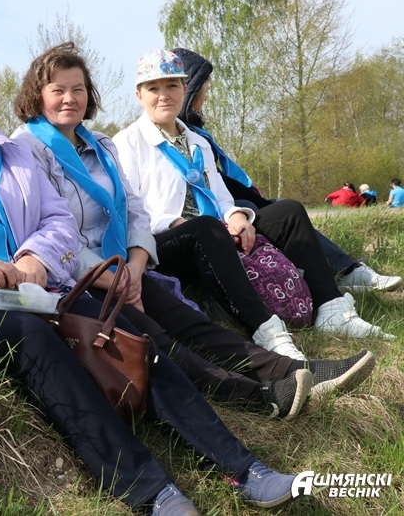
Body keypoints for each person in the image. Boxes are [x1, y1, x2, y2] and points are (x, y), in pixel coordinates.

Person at [0, 47, 309, 515]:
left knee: (123, 334)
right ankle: (150, 490)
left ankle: (245, 468)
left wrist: (36, 256)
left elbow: (57, 221)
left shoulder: (11, 154)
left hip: (22, 290)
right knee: (31, 338)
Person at [10, 42, 375, 420]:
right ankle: (258, 396)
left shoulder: (100, 144)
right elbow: (50, 230)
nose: (70, 98)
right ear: (37, 95)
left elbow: (133, 210)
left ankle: (295, 370)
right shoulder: (27, 149)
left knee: (193, 324)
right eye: (57, 90)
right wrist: (116, 277)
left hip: (124, 265)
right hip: (80, 276)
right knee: (156, 339)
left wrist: (135, 266)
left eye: (78, 89)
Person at [112, 49, 395, 352]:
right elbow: (130, 210)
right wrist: (175, 222)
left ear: (184, 89)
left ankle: (332, 308)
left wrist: (236, 217)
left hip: (213, 231)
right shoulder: (126, 144)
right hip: (164, 241)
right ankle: (268, 332)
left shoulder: (197, 142)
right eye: (153, 88)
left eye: (172, 86)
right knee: (205, 228)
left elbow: (220, 195)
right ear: (139, 95)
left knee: (288, 212)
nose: (163, 95)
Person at [172, 47, 402, 292]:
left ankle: (334, 271)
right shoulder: (177, 136)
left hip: (217, 209)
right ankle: (339, 272)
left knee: (272, 206)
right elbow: (207, 184)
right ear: (190, 90)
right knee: (270, 210)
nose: (207, 96)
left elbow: (218, 181)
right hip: (192, 219)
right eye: (205, 88)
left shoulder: (194, 133)